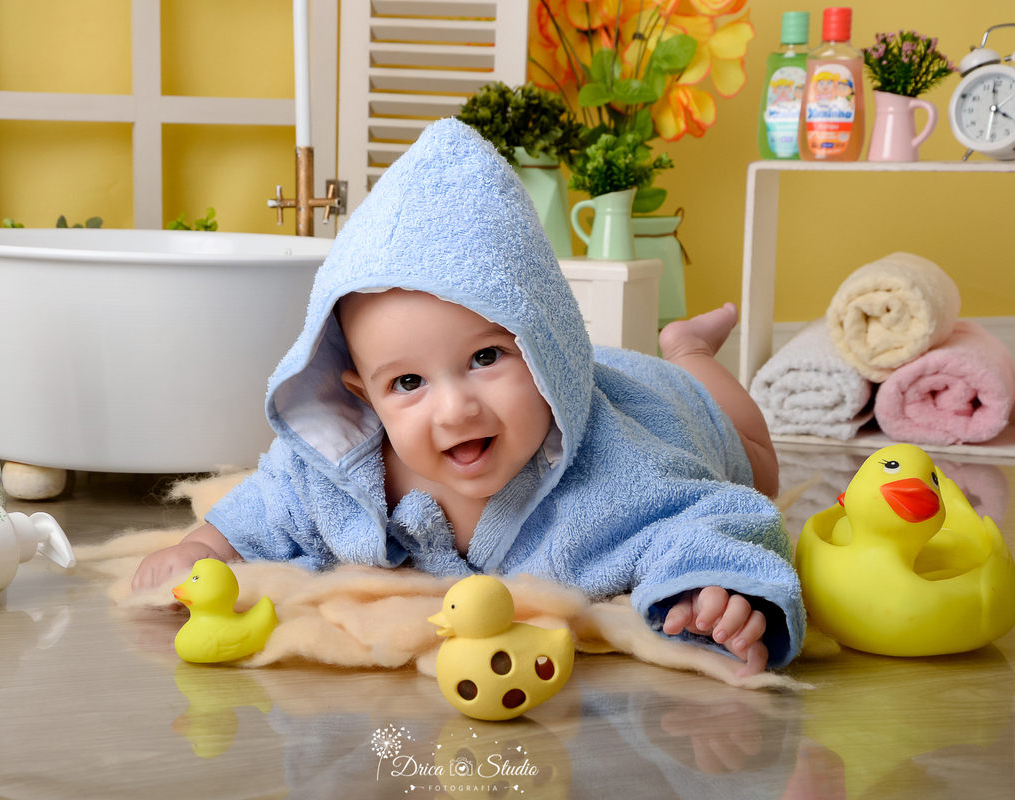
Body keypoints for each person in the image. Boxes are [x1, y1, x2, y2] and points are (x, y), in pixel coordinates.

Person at [133, 119, 804, 676]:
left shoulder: (617, 473)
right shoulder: (346, 473)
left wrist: (715, 587)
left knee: (759, 462)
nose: (455, 409)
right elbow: (274, 497)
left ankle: (688, 348)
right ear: (361, 396)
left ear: (541, 345)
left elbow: (709, 515)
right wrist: (204, 544)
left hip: (671, 400)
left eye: (486, 358)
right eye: (408, 383)